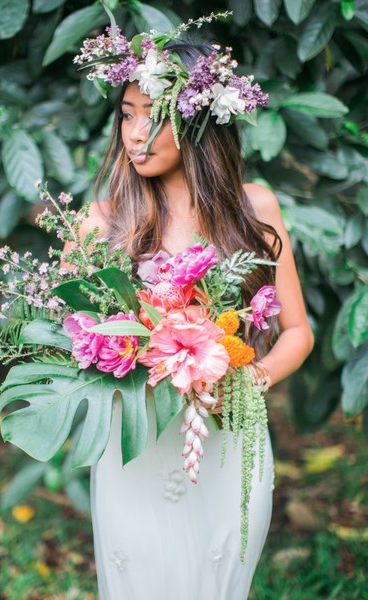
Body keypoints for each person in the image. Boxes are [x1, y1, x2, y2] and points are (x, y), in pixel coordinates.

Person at [64, 25, 314, 600]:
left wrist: (250, 379)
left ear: (200, 122)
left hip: (227, 441)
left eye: (154, 115)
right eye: (127, 115)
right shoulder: (98, 223)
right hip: (136, 446)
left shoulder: (256, 209)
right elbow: (72, 345)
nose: (136, 133)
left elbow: (297, 331)